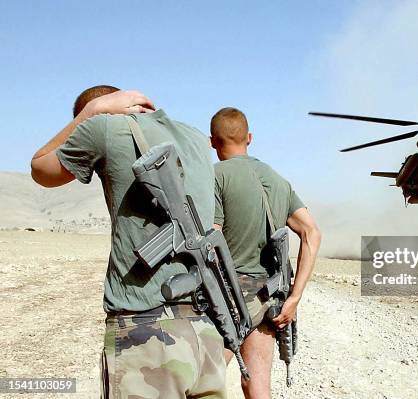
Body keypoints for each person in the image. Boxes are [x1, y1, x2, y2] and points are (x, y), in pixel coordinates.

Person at [30, 86, 226, 399]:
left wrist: (90, 114)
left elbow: (40, 168)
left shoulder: (101, 126)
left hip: (146, 333)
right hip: (205, 333)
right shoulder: (195, 138)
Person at [210, 107, 321, 398]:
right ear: (250, 138)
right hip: (270, 295)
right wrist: (295, 297)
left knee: (204, 380)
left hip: (229, 295)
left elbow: (212, 236)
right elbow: (312, 233)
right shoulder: (277, 179)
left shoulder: (215, 176)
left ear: (213, 142)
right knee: (258, 384)